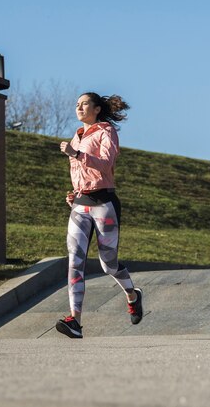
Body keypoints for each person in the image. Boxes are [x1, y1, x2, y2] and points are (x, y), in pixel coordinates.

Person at [56, 92, 143, 339]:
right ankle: (75, 321)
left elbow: (105, 164)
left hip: (104, 203)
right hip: (80, 205)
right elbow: (82, 173)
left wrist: (76, 154)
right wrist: (75, 193)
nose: (79, 107)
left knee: (108, 264)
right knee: (75, 260)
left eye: (84, 103)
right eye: (77, 104)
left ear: (96, 109)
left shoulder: (107, 132)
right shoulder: (78, 135)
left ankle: (133, 295)